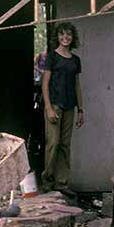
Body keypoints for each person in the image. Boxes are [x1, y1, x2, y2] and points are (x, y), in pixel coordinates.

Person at [41, 22, 84, 195]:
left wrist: (81, 109)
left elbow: (77, 85)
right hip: (55, 105)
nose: (65, 38)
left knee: (65, 145)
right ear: (57, 37)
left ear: (73, 38)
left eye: (68, 35)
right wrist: (48, 107)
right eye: (62, 34)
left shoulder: (75, 60)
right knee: (53, 143)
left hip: (69, 107)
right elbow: (45, 84)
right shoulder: (52, 57)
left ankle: (62, 182)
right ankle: (47, 180)